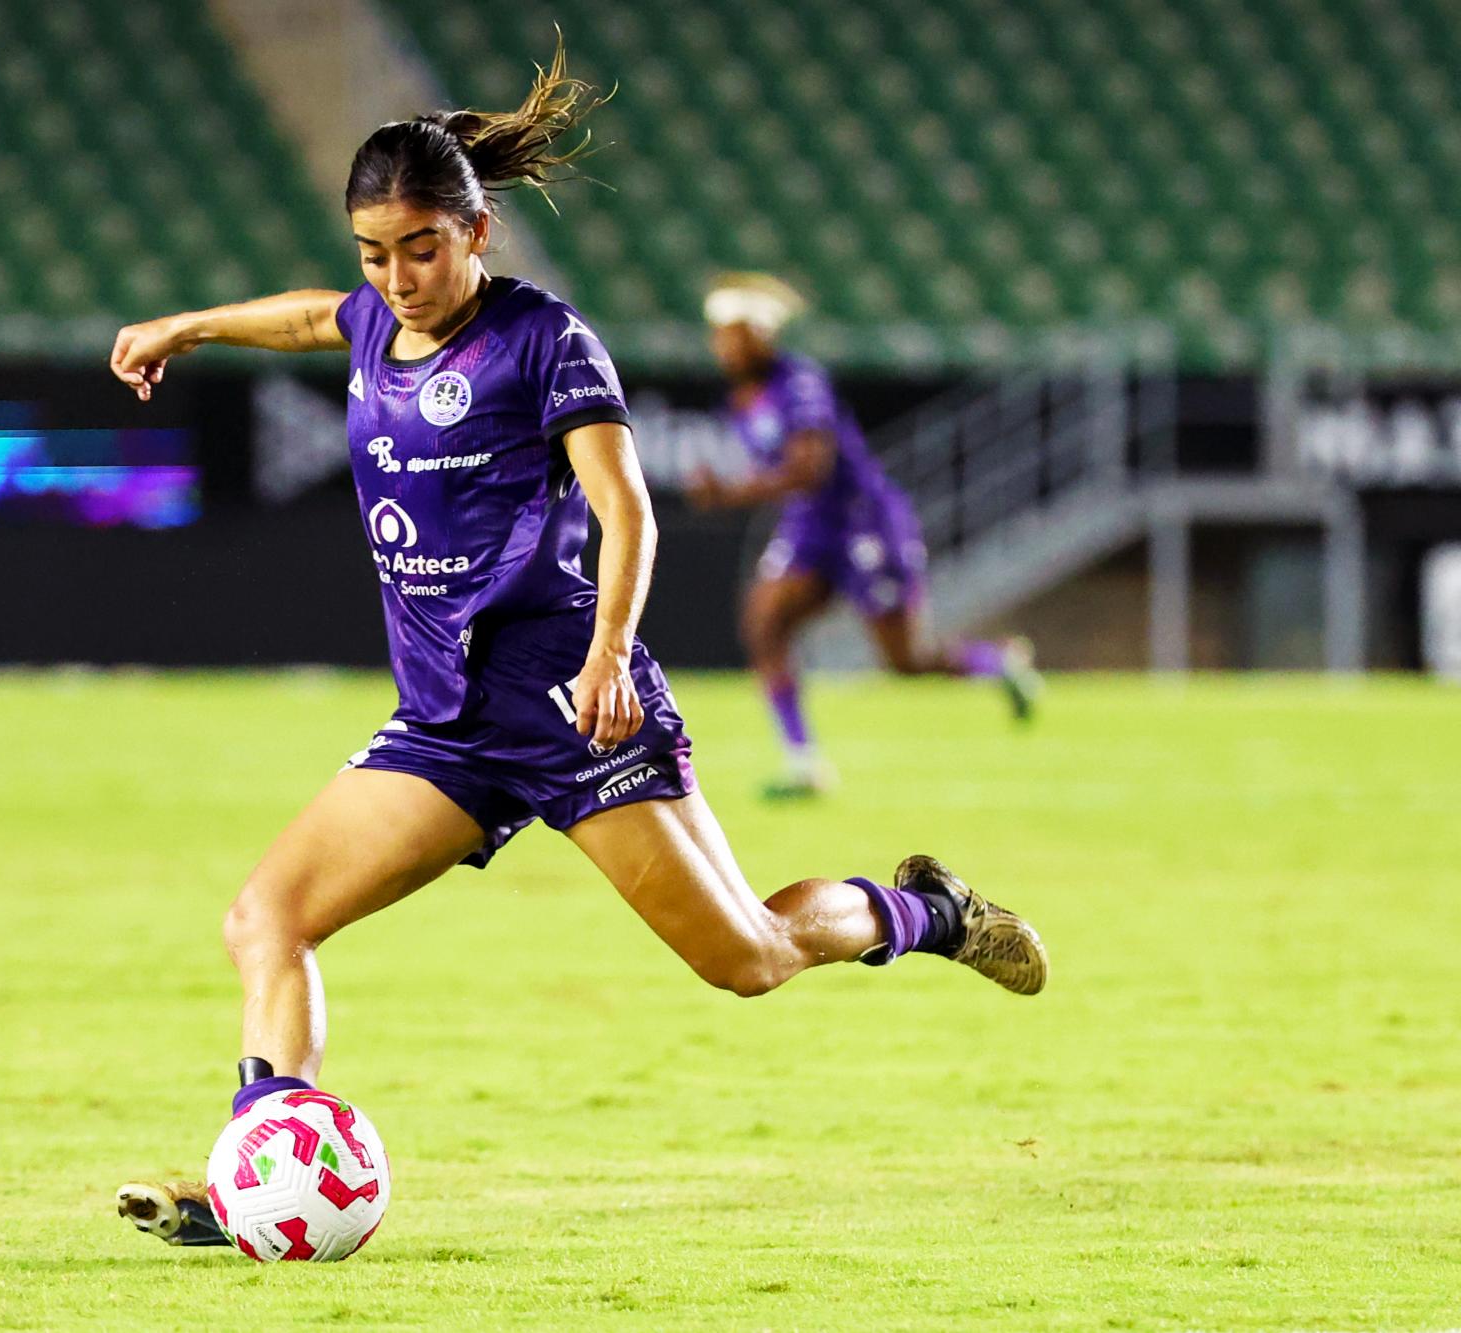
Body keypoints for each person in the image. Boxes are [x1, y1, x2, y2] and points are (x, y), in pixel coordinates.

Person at [108, 48, 1048, 1251]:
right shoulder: (367, 322)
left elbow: (627, 508)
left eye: (420, 250)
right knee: (266, 919)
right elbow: (309, 316)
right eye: (372, 254)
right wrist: (187, 326)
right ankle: (249, 1176)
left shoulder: (542, 340)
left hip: (571, 707)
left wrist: (609, 651)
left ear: (476, 232)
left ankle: (924, 909)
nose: (395, 279)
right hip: (446, 723)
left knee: (746, 959)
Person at [687, 273, 1042, 798]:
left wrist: (730, 494)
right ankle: (803, 763)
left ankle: (997, 663)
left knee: (905, 661)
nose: (725, 345)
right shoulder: (740, 402)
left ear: (762, 336)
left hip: (864, 520)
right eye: (719, 334)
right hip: (811, 525)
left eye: (736, 332)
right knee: (764, 623)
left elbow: (810, 469)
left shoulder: (799, 384)